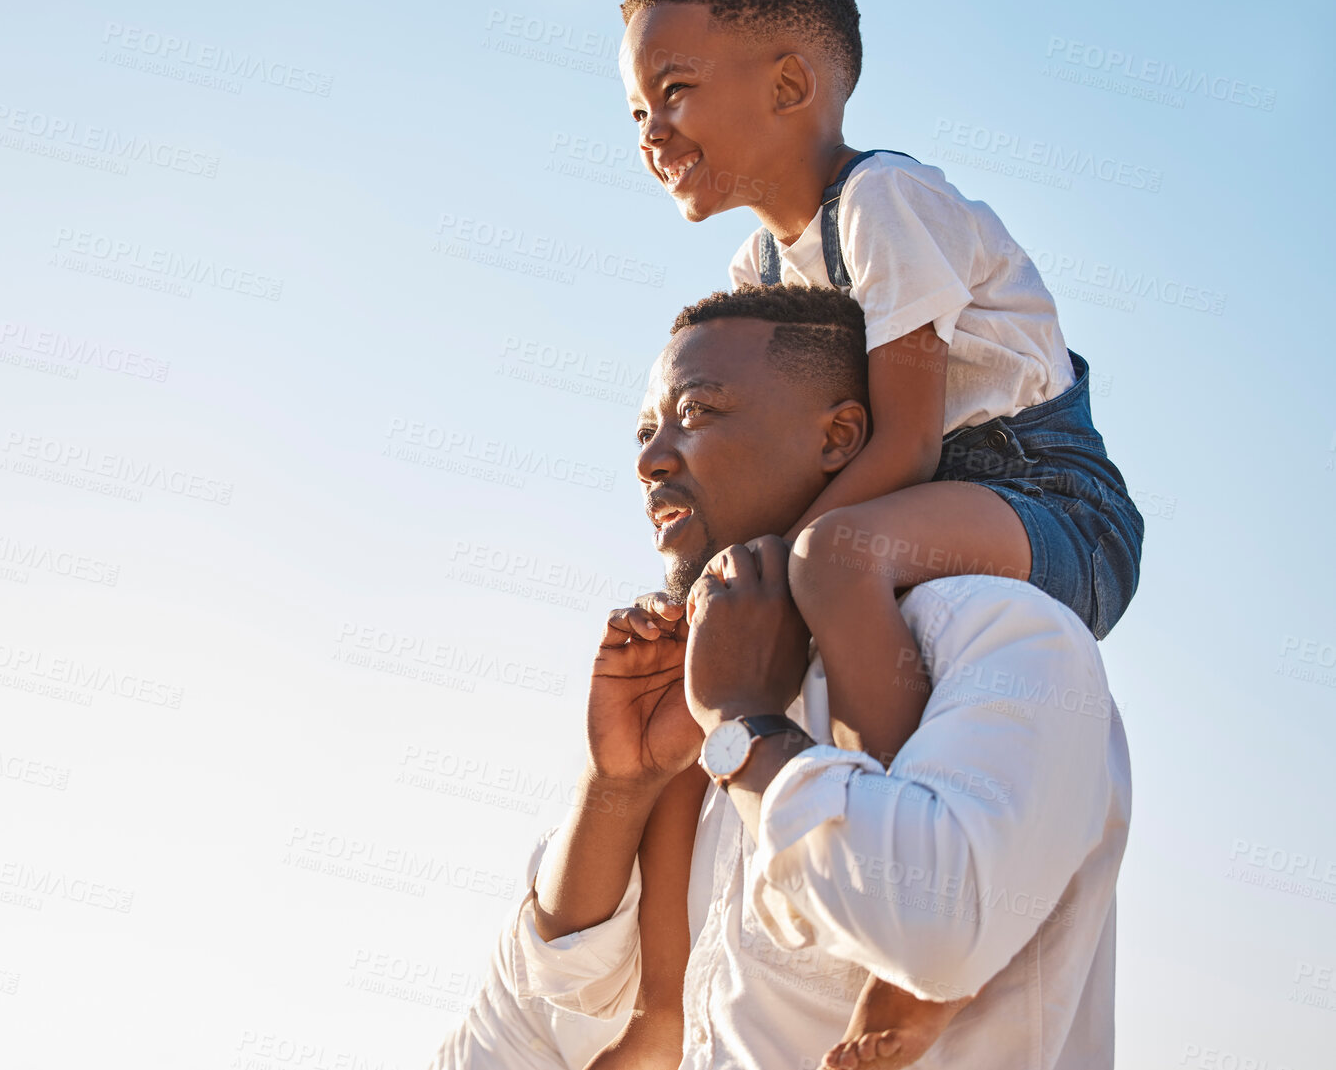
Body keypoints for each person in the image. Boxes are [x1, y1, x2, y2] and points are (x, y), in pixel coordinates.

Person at [609, 0, 1145, 1069]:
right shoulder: (764, 272)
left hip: (1038, 492)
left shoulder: (881, 203)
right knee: (799, 573)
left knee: (830, 562)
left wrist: (785, 575)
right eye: (636, 110)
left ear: (791, 84)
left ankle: (919, 962)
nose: (651, 131)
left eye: (674, 91)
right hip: (922, 496)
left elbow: (899, 438)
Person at [430, 284, 1131, 1070]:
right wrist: (615, 786)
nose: (650, 457)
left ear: (840, 436)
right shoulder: (688, 716)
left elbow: (932, 925)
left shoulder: (1003, 638)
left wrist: (742, 725)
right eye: (644, 429)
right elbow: (513, 1036)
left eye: (697, 412)